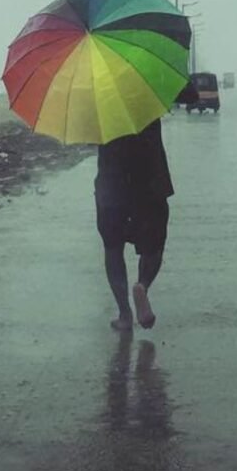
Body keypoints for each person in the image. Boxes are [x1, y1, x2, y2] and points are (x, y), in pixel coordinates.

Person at [95, 120, 174, 331]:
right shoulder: (147, 91)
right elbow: (190, 96)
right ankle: (142, 285)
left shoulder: (98, 99)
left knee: (113, 248)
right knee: (154, 244)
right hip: (150, 180)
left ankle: (125, 314)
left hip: (111, 184)